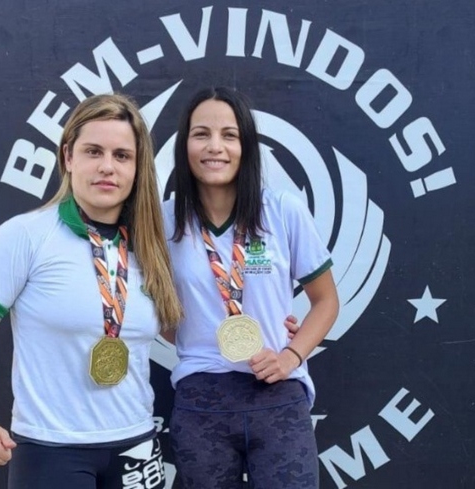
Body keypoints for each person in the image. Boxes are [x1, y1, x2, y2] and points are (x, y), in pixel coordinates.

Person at [0, 93, 182, 488]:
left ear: (137, 168)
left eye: (122, 156)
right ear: (68, 157)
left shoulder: (150, 247)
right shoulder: (25, 236)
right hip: (51, 449)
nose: (107, 166)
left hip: (136, 444)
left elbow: (179, 331)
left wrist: (276, 337)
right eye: (93, 151)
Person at [163, 87, 339, 488]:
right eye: (201, 134)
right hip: (201, 398)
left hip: (276, 391)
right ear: (184, 144)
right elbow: (156, 312)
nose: (215, 147)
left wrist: (291, 355)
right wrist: (199, 332)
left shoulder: (282, 209)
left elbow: (326, 301)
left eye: (229, 135)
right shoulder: (163, 219)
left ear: (246, 146)